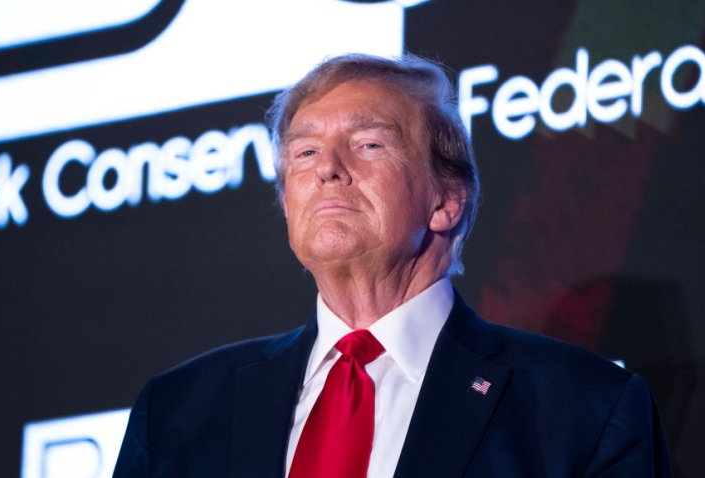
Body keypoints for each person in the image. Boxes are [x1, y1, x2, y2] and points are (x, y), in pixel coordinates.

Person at [112, 53, 670, 478]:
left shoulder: (584, 408)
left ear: (446, 200)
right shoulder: (179, 412)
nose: (327, 168)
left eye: (369, 144)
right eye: (305, 152)